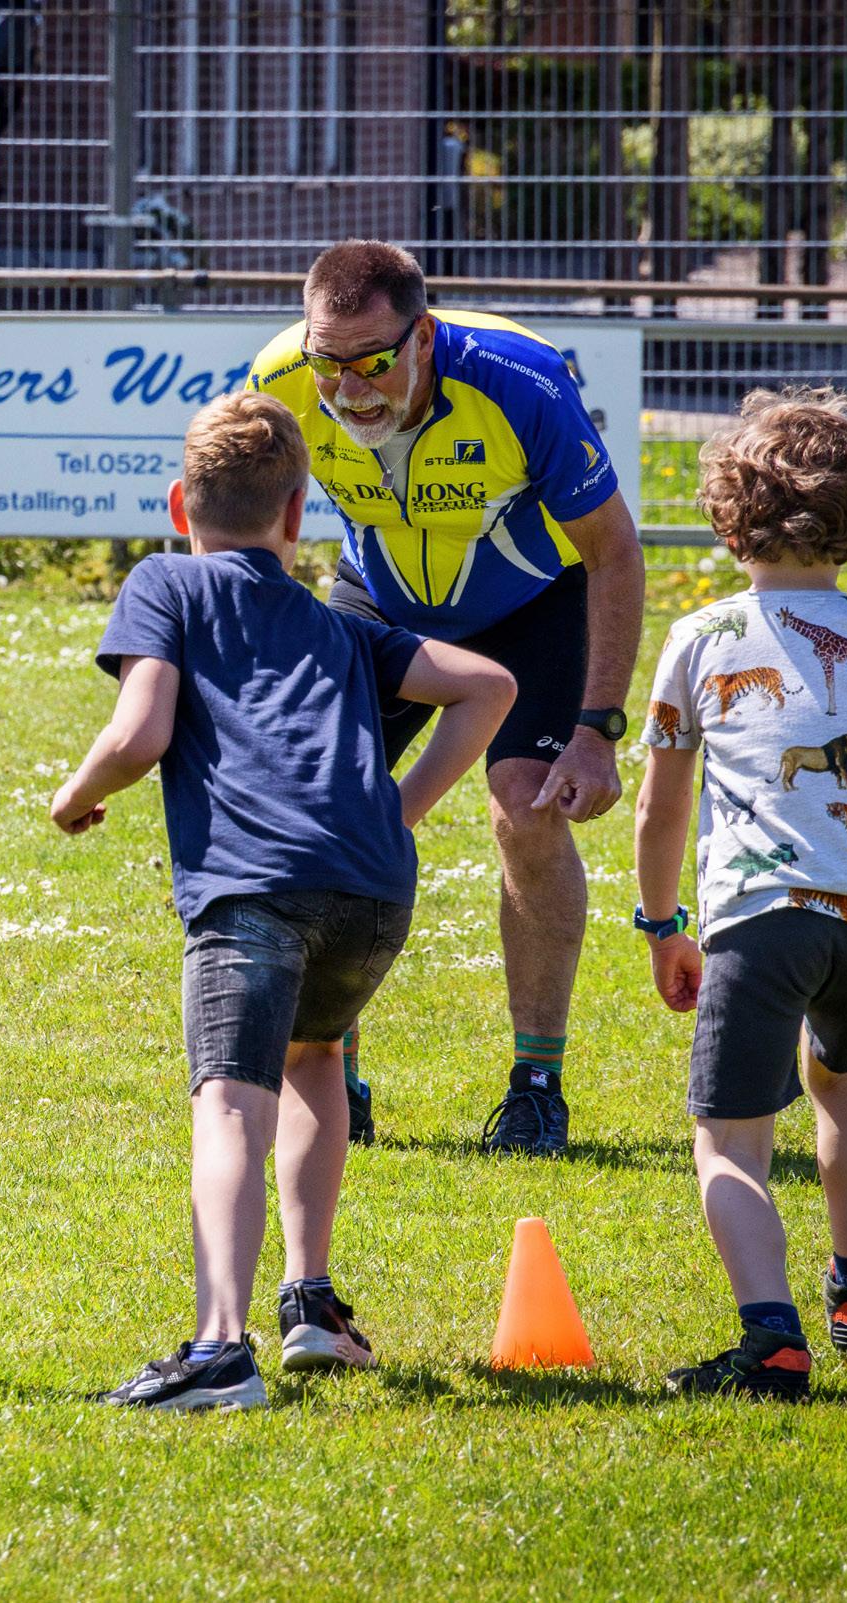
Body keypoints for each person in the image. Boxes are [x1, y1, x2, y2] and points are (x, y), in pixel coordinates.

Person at [50, 393, 515, 1410]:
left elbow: (139, 731)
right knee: (315, 1058)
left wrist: (75, 793)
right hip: (370, 894)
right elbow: (487, 685)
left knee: (229, 1100)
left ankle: (219, 1349)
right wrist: (396, 812)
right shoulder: (344, 627)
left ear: (180, 505)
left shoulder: (166, 581)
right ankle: (310, 1301)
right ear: (297, 514)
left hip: (253, 887)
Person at [248, 239, 645, 1155]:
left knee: (525, 807)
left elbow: (613, 552)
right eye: (329, 362)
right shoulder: (277, 379)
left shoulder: (520, 382)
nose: (349, 390)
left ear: (423, 336)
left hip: (529, 606)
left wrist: (596, 730)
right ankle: (333, 1070)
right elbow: (250, 528)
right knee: (321, 804)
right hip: (380, 601)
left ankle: (536, 1086)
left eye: (373, 362)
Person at [633, 387, 847, 1400]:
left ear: (724, 512)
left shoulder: (701, 636)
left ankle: (771, 1339)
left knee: (728, 1139)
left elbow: (660, 806)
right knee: (844, 1077)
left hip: (760, 920)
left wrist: (662, 924)